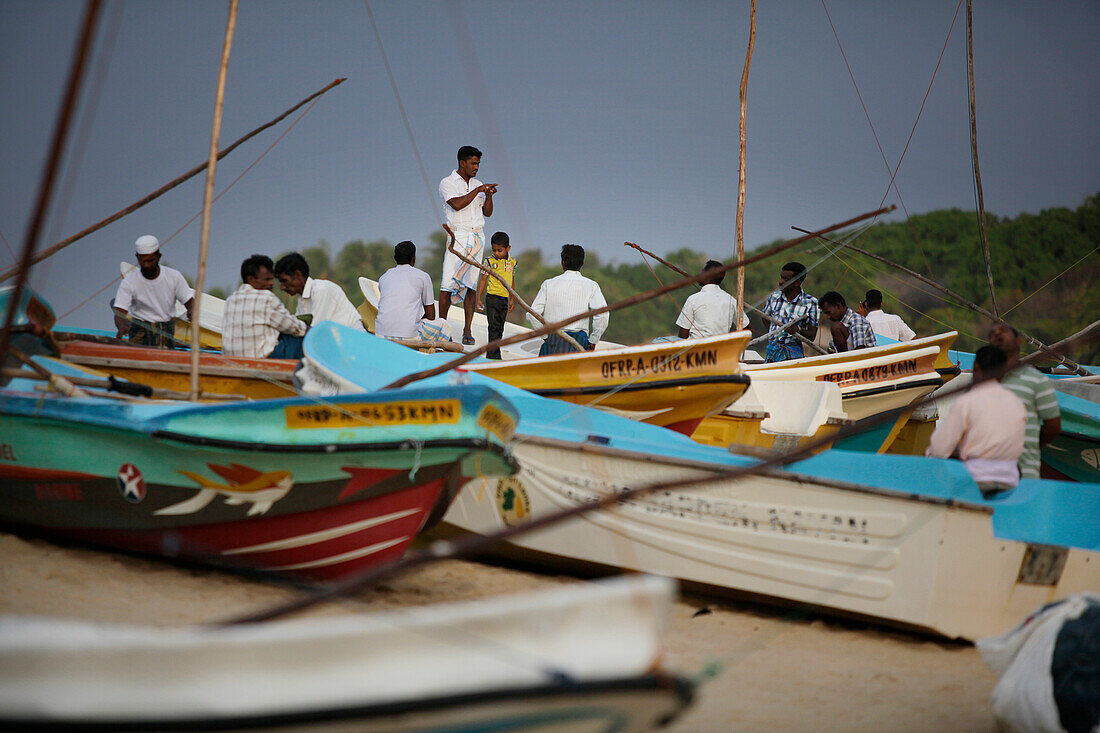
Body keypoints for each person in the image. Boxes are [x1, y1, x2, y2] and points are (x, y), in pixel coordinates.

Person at [926, 345, 1026, 497]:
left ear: (976, 367)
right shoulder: (1017, 403)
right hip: (1011, 483)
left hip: (976, 483)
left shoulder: (967, 402)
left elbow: (939, 450)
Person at [439, 145, 496, 346]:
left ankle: (467, 329)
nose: (476, 167)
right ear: (462, 163)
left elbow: (487, 213)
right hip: (458, 237)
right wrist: (477, 190)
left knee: (471, 285)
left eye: (478, 163)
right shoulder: (447, 183)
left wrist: (488, 195)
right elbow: (456, 204)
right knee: (447, 283)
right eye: (473, 163)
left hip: (477, 237)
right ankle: (443, 328)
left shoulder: (478, 183)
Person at [989, 323, 1061, 479]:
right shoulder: (982, 380)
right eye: (993, 334)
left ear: (1018, 341)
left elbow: (1053, 427)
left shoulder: (1036, 380)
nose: (998, 334)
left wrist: (1027, 447)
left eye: (1004, 331)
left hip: (1025, 474)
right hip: (987, 475)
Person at [113, 235, 194, 347]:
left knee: (164, 360)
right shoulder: (129, 282)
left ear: (159, 257)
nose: (147, 265)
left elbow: (189, 301)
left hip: (165, 330)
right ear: (137, 257)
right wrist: (122, 327)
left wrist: (191, 310)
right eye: (143, 261)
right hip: (139, 331)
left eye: (150, 261)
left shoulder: (174, 277)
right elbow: (120, 312)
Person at [222, 254, 308, 359]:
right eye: (267, 279)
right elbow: (292, 325)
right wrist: (308, 329)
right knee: (301, 338)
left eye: (271, 279)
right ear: (251, 280)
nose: (271, 283)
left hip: (232, 358)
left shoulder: (231, 299)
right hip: (261, 359)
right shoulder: (266, 298)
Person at [529, 244, 608, 356]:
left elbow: (532, 314)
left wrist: (545, 337)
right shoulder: (591, 285)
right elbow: (603, 315)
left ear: (563, 263)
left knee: (547, 372)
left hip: (553, 340)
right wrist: (593, 340)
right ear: (582, 263)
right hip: (578, 342)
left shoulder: (548, 284)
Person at [273, 252, 365, 331]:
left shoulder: (321, 290)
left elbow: (316, 330)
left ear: (298, 275)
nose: (282, 287)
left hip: (353, 341)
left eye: (284, 281)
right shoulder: (303, 300)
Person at [375, 241, 442, 341]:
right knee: (443, 325)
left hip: (380, 334)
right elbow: (431, 316)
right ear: (413, 259)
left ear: (395, 258)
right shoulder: (422, 276)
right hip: (409, 336)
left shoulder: (384, 277)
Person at [675, 260, 749, 339]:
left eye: (702, 273)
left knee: (662, 340)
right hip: (722, 346)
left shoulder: (693, 299)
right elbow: (747, 329)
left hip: (697, 348)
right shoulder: (730, 299)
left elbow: (683, 334)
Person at [760, 262, 818, 362]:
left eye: (786, 279)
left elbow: (812, 335)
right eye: (781, 277)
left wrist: (798, 330)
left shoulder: (811, 303)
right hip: (772, 348)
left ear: (797, 282)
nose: (780, 281)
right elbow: (765, 317)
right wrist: (773, 333)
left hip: (793, 351)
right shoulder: (774, 297)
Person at [476, 231, 516, 360]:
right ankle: (494, 356)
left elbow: (511, 281)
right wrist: (478, 299)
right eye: (494, 250)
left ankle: (491, 352)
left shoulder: (512, 263)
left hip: (504, 299)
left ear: (508, 248)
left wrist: (512, 299)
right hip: (492, 298)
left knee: (500, 328)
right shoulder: (489, 261)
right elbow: (483, 280)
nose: (497, 253)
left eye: (500, 250)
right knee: (493, 326)